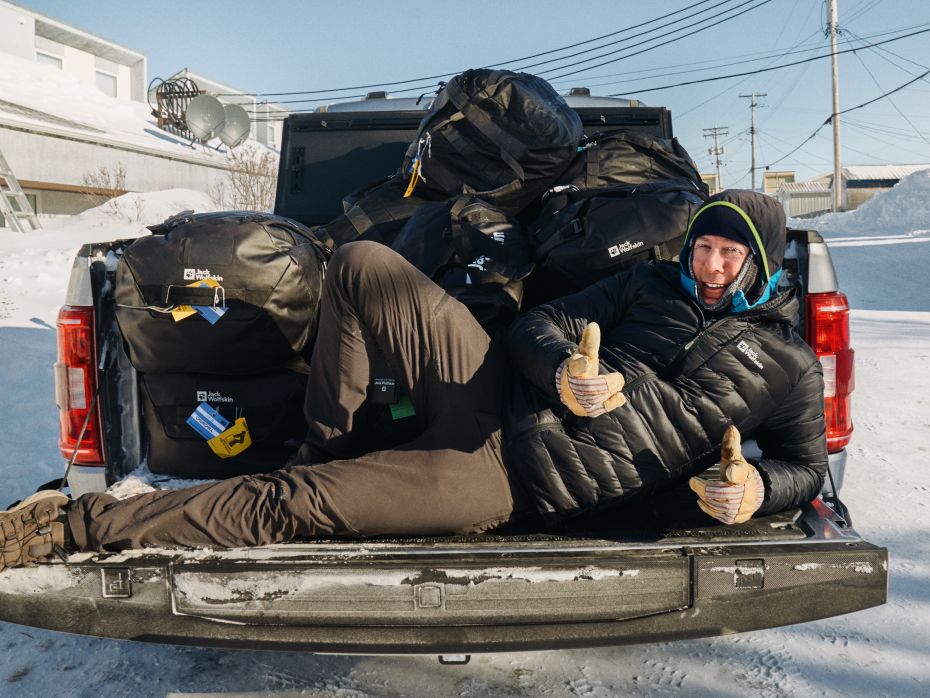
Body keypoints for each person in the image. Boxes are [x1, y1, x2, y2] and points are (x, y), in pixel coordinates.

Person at [0, 190, 827, 570]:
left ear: (758, 260)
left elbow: (808, 468)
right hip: (493, 387)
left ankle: (73, 527)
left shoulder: (787, 365)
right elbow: (539, 323)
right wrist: (568, 371)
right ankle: (323, 449)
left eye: (729, 253)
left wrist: (757, 490)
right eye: (704, 246)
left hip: (514, 478)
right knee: (361, 262)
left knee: (294, 509)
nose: (710, 265)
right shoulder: (648, 283)